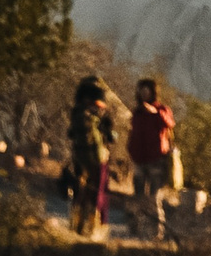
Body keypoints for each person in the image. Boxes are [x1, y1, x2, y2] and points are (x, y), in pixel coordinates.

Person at [128, 76, 178, 236]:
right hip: (139, 159)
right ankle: (135, 231)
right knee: (137, 197)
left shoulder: (162, 110)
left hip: (156, 160)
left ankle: (156, 232)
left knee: (154, 198)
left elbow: (170, 124)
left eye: (146, 91)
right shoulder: (137, 112)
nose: (143, 94)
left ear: (152, 92)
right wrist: (131, 150)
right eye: (141, 91)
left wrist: (155, 113)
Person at [68, 75, 118, 236]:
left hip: (80, 157)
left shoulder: (77, 113)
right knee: (97, 191)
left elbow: (71, 134)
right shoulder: (94, 115)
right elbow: (109, 138)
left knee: (81, 191)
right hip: (97, 157)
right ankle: (92, 228)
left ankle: (78, 226)